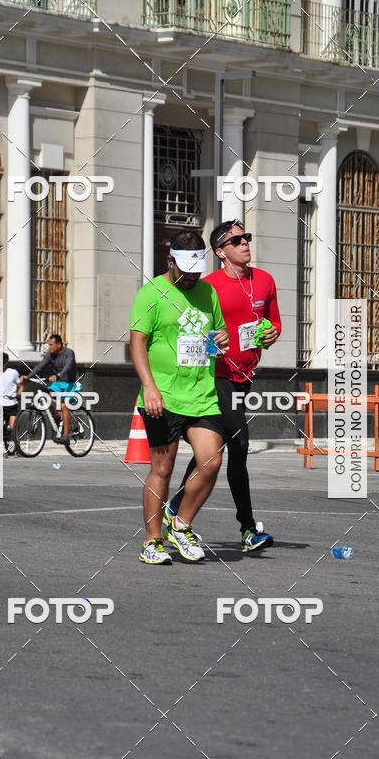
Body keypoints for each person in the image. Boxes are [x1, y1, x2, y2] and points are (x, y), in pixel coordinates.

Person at [166, 220, 281, 553]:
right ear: (220, 252)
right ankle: (248, 529)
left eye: (247, 237)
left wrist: (272, 334)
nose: (245, 243)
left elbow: (273, 323)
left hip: (244, 375)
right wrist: (215, 345)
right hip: (214, 376)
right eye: (237, 240)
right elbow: (190, 327)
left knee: (212, 448)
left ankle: (174, 505)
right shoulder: (209, 286)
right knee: (240, 443)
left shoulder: (265, 281)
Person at [129, 230, 229, 565]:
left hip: (201, 394)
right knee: (162, 468)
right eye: (186, 271)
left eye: (197, 271)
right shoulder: (151, 294)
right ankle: (152, 541)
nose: (192, 278)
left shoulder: (208, 292)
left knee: (212, 461)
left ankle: (181, 524)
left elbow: (214, 334)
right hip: (163, 396)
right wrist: (150, 387)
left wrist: (221, 340)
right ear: (170, 261)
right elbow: (137, 343)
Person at [22, 334, 77, 441]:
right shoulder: (50, 355)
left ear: (59, 344)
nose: (49, 347)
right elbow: (40, 366)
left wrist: (58, 375)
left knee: (64, 405)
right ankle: (56, 416)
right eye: (49, 345)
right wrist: (28, 377)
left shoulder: (69, 353)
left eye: (51, 345)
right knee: (45, 395)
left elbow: (68, 366)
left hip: (70, 383)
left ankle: (66, 435)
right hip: (58, 383)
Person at [1, 352, 20, 434]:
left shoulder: (13, 372)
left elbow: (21, 386)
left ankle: (18, 445)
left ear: (6, 362)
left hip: (11, 404)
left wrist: (18, 395)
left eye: (2, 362)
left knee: (13, 427)